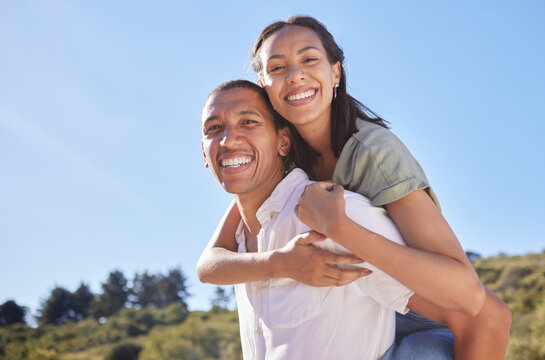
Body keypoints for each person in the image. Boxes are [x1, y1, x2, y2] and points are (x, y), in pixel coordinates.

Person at [199, 16, 512, 360]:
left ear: (336, 72)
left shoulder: (373, 154)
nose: (295, 75)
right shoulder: (278, 160)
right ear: (264, 84)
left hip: (416, 298)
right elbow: (210, 263)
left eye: (309, 59)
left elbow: (479, 307)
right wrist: (281, 263)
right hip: (368, 299)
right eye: (277, 67)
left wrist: (340, 227)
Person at [201, 79, 419, 359]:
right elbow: (206, 268)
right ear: (204, 155)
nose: (228, 140)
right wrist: (277, 264)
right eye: (214, 128)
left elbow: (461, 312)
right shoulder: (241, 238)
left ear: (283, 142)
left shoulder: (341, 216)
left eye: (249, 122)